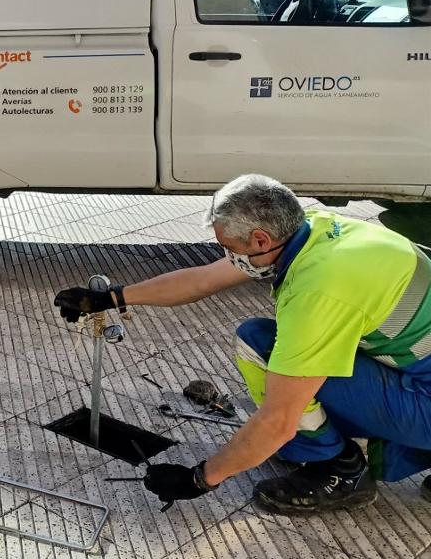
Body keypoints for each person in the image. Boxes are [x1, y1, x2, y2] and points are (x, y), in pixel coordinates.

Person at [53, 174, 431, 516]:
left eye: (228, 247)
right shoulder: (313, 232)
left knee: (264, 354)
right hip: (417, 373)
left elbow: (279, 421)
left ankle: (340, 470)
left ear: (260, 239)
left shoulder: (320, 289)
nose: (227, 258)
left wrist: (200, 479)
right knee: (264, 338)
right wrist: (113, 298)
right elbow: (201, 280)